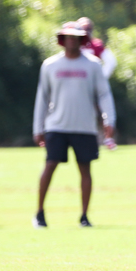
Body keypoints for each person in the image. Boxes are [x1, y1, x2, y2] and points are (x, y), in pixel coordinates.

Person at [32, 21, 117, 228]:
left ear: (82, 40)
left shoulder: (93, 65)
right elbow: (42, 97)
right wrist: (38, 127)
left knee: (85, 169)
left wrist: (109, 119)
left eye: (76, 37)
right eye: (68, 37)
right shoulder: (50, 65)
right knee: (50, 165)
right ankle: (40, 213)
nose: (72, 41)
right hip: (56, 126)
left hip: (85, 126)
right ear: (62, 40)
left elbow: (104, 94)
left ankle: (84, 216)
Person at [77, 17, 117, 151]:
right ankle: (82, 138)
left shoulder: (96, 45)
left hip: (94, 85)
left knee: (103, 112)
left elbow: (111, 62)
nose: (86, 32)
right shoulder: (75, 46)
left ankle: (108, 138)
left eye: (88, 29)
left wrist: (101, 78)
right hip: (79, 85)